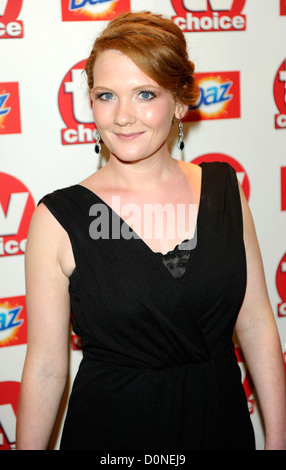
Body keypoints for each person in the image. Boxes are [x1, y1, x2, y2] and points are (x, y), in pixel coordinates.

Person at [16, 11, 286, 450]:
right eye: (106, 96)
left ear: (180, 101)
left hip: (219, 424)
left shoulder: (225, 192)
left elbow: (256, 324)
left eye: (144, 93)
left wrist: (277, 438)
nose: (123, 116)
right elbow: (47, 366)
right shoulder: (58, 218)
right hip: (112, 435)